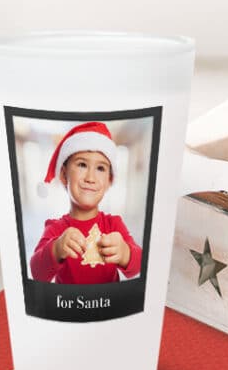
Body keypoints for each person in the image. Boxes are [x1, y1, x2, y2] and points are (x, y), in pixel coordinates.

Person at [29, 121, 143, 284]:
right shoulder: (55, 229)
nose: (90, 178)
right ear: (64, 175)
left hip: (107, 300)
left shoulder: (114, 225)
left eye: (100, 168)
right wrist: (56, 249)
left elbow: (138, 265)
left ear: (109, 180)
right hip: (68, 300)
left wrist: (125, 253)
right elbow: (37, 273)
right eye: (82, 165)